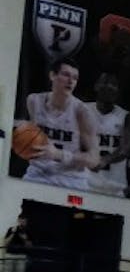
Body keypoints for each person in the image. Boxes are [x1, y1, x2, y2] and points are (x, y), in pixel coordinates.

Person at [20, 58, 99, 190]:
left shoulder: (82, 112)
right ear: (52, 75)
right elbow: (33, 136)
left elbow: (94, 159)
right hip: (37, 174)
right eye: (66, 75)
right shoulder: (33, 101)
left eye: (75, 78)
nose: (71, 81)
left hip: (71, 179)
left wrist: (59, 154)